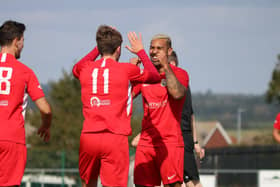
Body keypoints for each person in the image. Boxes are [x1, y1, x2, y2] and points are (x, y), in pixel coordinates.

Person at [72, 25, 161, 187]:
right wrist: (141, 51)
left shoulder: (85, 68)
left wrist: (98, 47)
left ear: (100, 47)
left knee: (88, 183)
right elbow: (155, 76)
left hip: (89, 136)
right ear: (119, 49)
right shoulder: (127, 69)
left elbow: (75, 69)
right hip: (115, 137)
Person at [0, 20, 52, 186]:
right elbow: (45, 109)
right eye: (23, 41)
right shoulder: (25, 72)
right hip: (11, 139)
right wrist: (45, 125)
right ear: (16, 41)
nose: (23, 46)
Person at [133, 34, 189, 187]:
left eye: (159, 48)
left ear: (169, 51)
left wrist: (166, 67)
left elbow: (177, 93)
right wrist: (132, 73)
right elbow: (126, 97)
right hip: (146, 143)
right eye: (152, 48)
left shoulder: (180, 74)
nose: (154, 52)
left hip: (170, 142)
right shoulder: (144, 75)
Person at [169, 51, 205, 187]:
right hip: (173, 137)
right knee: (184, 179)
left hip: (183, 137)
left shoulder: (182, 84)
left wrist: (195, 142)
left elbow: (190, 115)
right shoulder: (167, 84)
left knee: (193, 180)